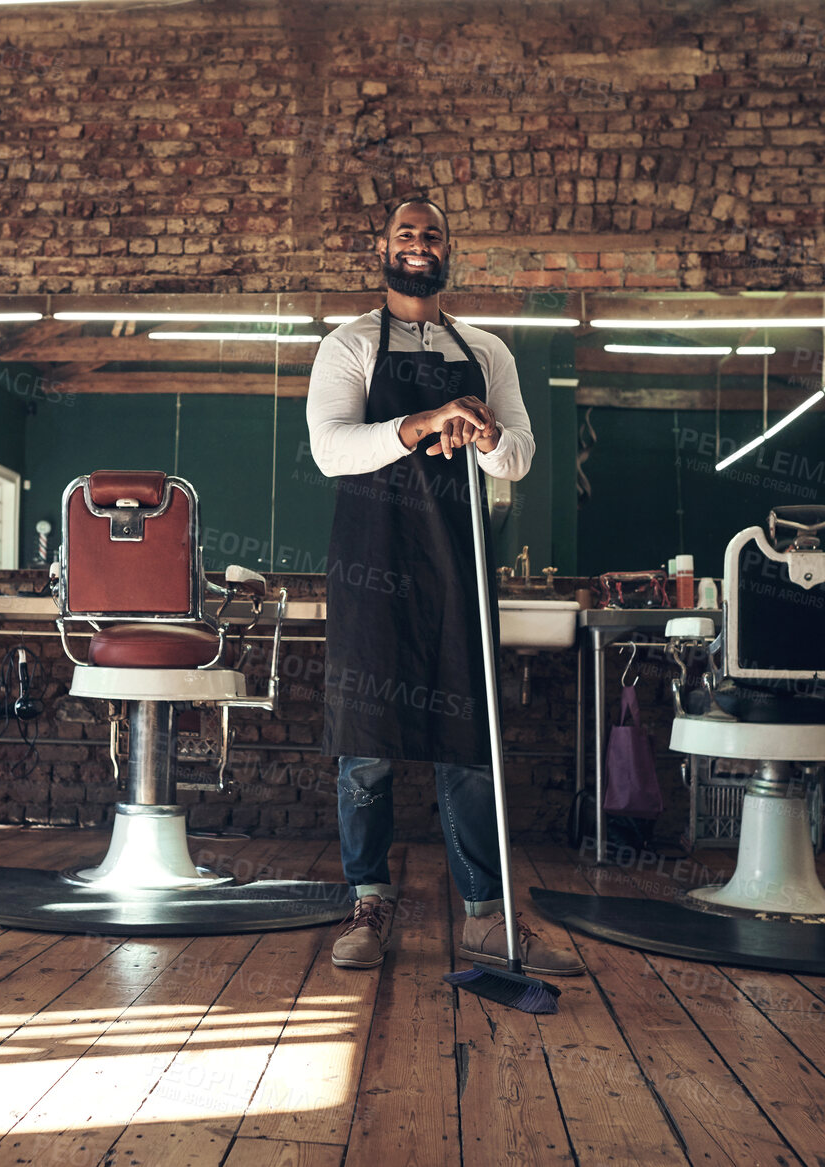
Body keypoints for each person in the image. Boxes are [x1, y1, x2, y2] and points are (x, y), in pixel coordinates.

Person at [306, 196, 583, 976]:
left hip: (458, 566)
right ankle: (369, 899)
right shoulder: (351, 344)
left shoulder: (488, 350)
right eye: (406, 234)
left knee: (472, 744)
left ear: (448, 250)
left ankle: (486, 918)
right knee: (367, 746)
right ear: (383, 248)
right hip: (371, 564)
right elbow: (332, 449)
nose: (419, 245)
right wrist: (429, 419)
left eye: (432, 235)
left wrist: (487, 433)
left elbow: (519, 455)